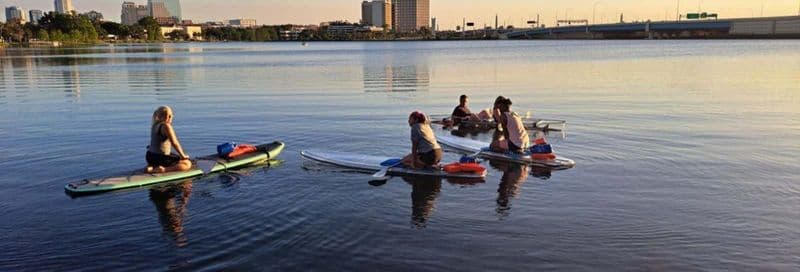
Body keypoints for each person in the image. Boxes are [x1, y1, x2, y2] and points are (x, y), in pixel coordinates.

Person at [146, 106, 192, 173]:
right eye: (171, 115)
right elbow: (175, 143)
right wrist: (183, 156)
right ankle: (163, 169)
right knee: (187, 164)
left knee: (175, 157)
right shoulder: (166, 126)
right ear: (169, 116)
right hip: (159, 158)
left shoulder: (155, 124)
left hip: (150, 156)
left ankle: (151, 167)